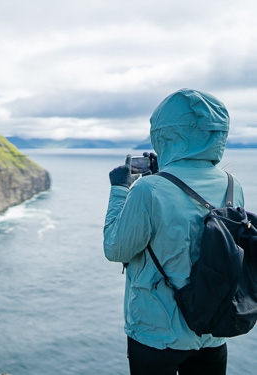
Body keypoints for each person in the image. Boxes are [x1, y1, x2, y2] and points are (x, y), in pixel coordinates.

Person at [103, 88, 245, 375]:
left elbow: (115, 249)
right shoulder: (233, 184)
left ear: (165, 135)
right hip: (212, 328)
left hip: (157, 334)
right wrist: (164, 174)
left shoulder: (148, 188)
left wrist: (119, 189)